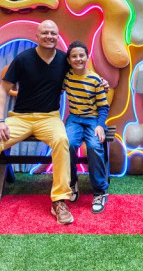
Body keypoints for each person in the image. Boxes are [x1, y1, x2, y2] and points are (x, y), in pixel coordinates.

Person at [0, 20, 74, 227]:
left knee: (61, 141)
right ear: (37, 36)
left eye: (53, 33)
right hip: (20, 117)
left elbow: (84, 73)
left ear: (58, 37)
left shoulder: (65, 60)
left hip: (49, 117)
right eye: (45, 33)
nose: (49, 36)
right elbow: (3, 89)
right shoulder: (23, 59)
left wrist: (99, 82)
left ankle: (59, 200)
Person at [63, 41, 110, 213]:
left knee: (94, 146)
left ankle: (99, 191)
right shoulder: (67, 77)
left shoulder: (95, 79)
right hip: (74, 119)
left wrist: (100, 125)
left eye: (81, 55)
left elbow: (104, 107)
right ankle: (72, 182)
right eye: (74, 56)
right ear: (69, 60)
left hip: (93, 119)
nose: (78, 59)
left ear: (87, 57)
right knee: (67, 144)